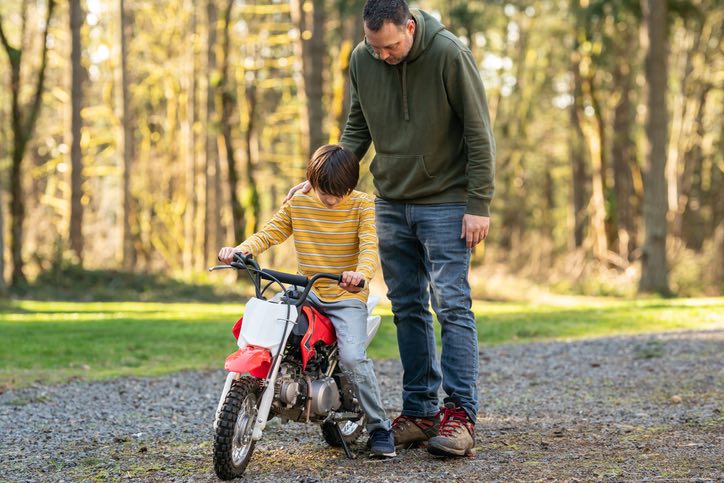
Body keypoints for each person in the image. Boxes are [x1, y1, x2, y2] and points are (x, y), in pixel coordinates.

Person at [286, 0, 495, 457]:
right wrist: (327, 178)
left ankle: (459, 416)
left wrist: (478, 203)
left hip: (446, 201)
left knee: (452, 305)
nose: (384, 55)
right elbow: (357, 126)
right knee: (407, 308)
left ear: (410, 26)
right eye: (375, 46)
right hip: (392, 202)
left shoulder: (448, 54)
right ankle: (420, 412)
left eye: (392, 45)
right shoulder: (364, 59)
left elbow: (478, 130)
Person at [218, 144, 395, 458]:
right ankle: (273, 389)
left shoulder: (363, 205)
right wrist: (241, 250)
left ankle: (381, 428)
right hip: (306, 290)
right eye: (325, 191)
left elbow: (369, 245)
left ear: (351, 187)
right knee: (270, 322)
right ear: (312, 180)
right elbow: (271, 232)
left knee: (353, 357)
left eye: (339, 193)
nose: (330, 199)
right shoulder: (299, 202)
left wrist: (359, 273)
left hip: (345, 295)